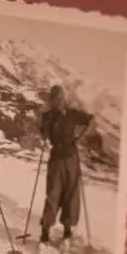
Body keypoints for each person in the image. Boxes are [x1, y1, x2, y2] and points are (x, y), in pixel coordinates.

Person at [39, 84, 102, 245]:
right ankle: (45, 231)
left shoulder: (72, 114)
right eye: (55, 99)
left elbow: (91, 119)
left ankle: (67, 229)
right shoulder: (47, 116)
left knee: (71, 193)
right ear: (52, 101)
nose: (59, 102)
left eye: (61, 98)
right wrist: (47, 131)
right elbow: (43, 133)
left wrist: (80, 137)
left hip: (72, 157)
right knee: (53, 193)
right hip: (56, 158)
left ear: (63, 99)